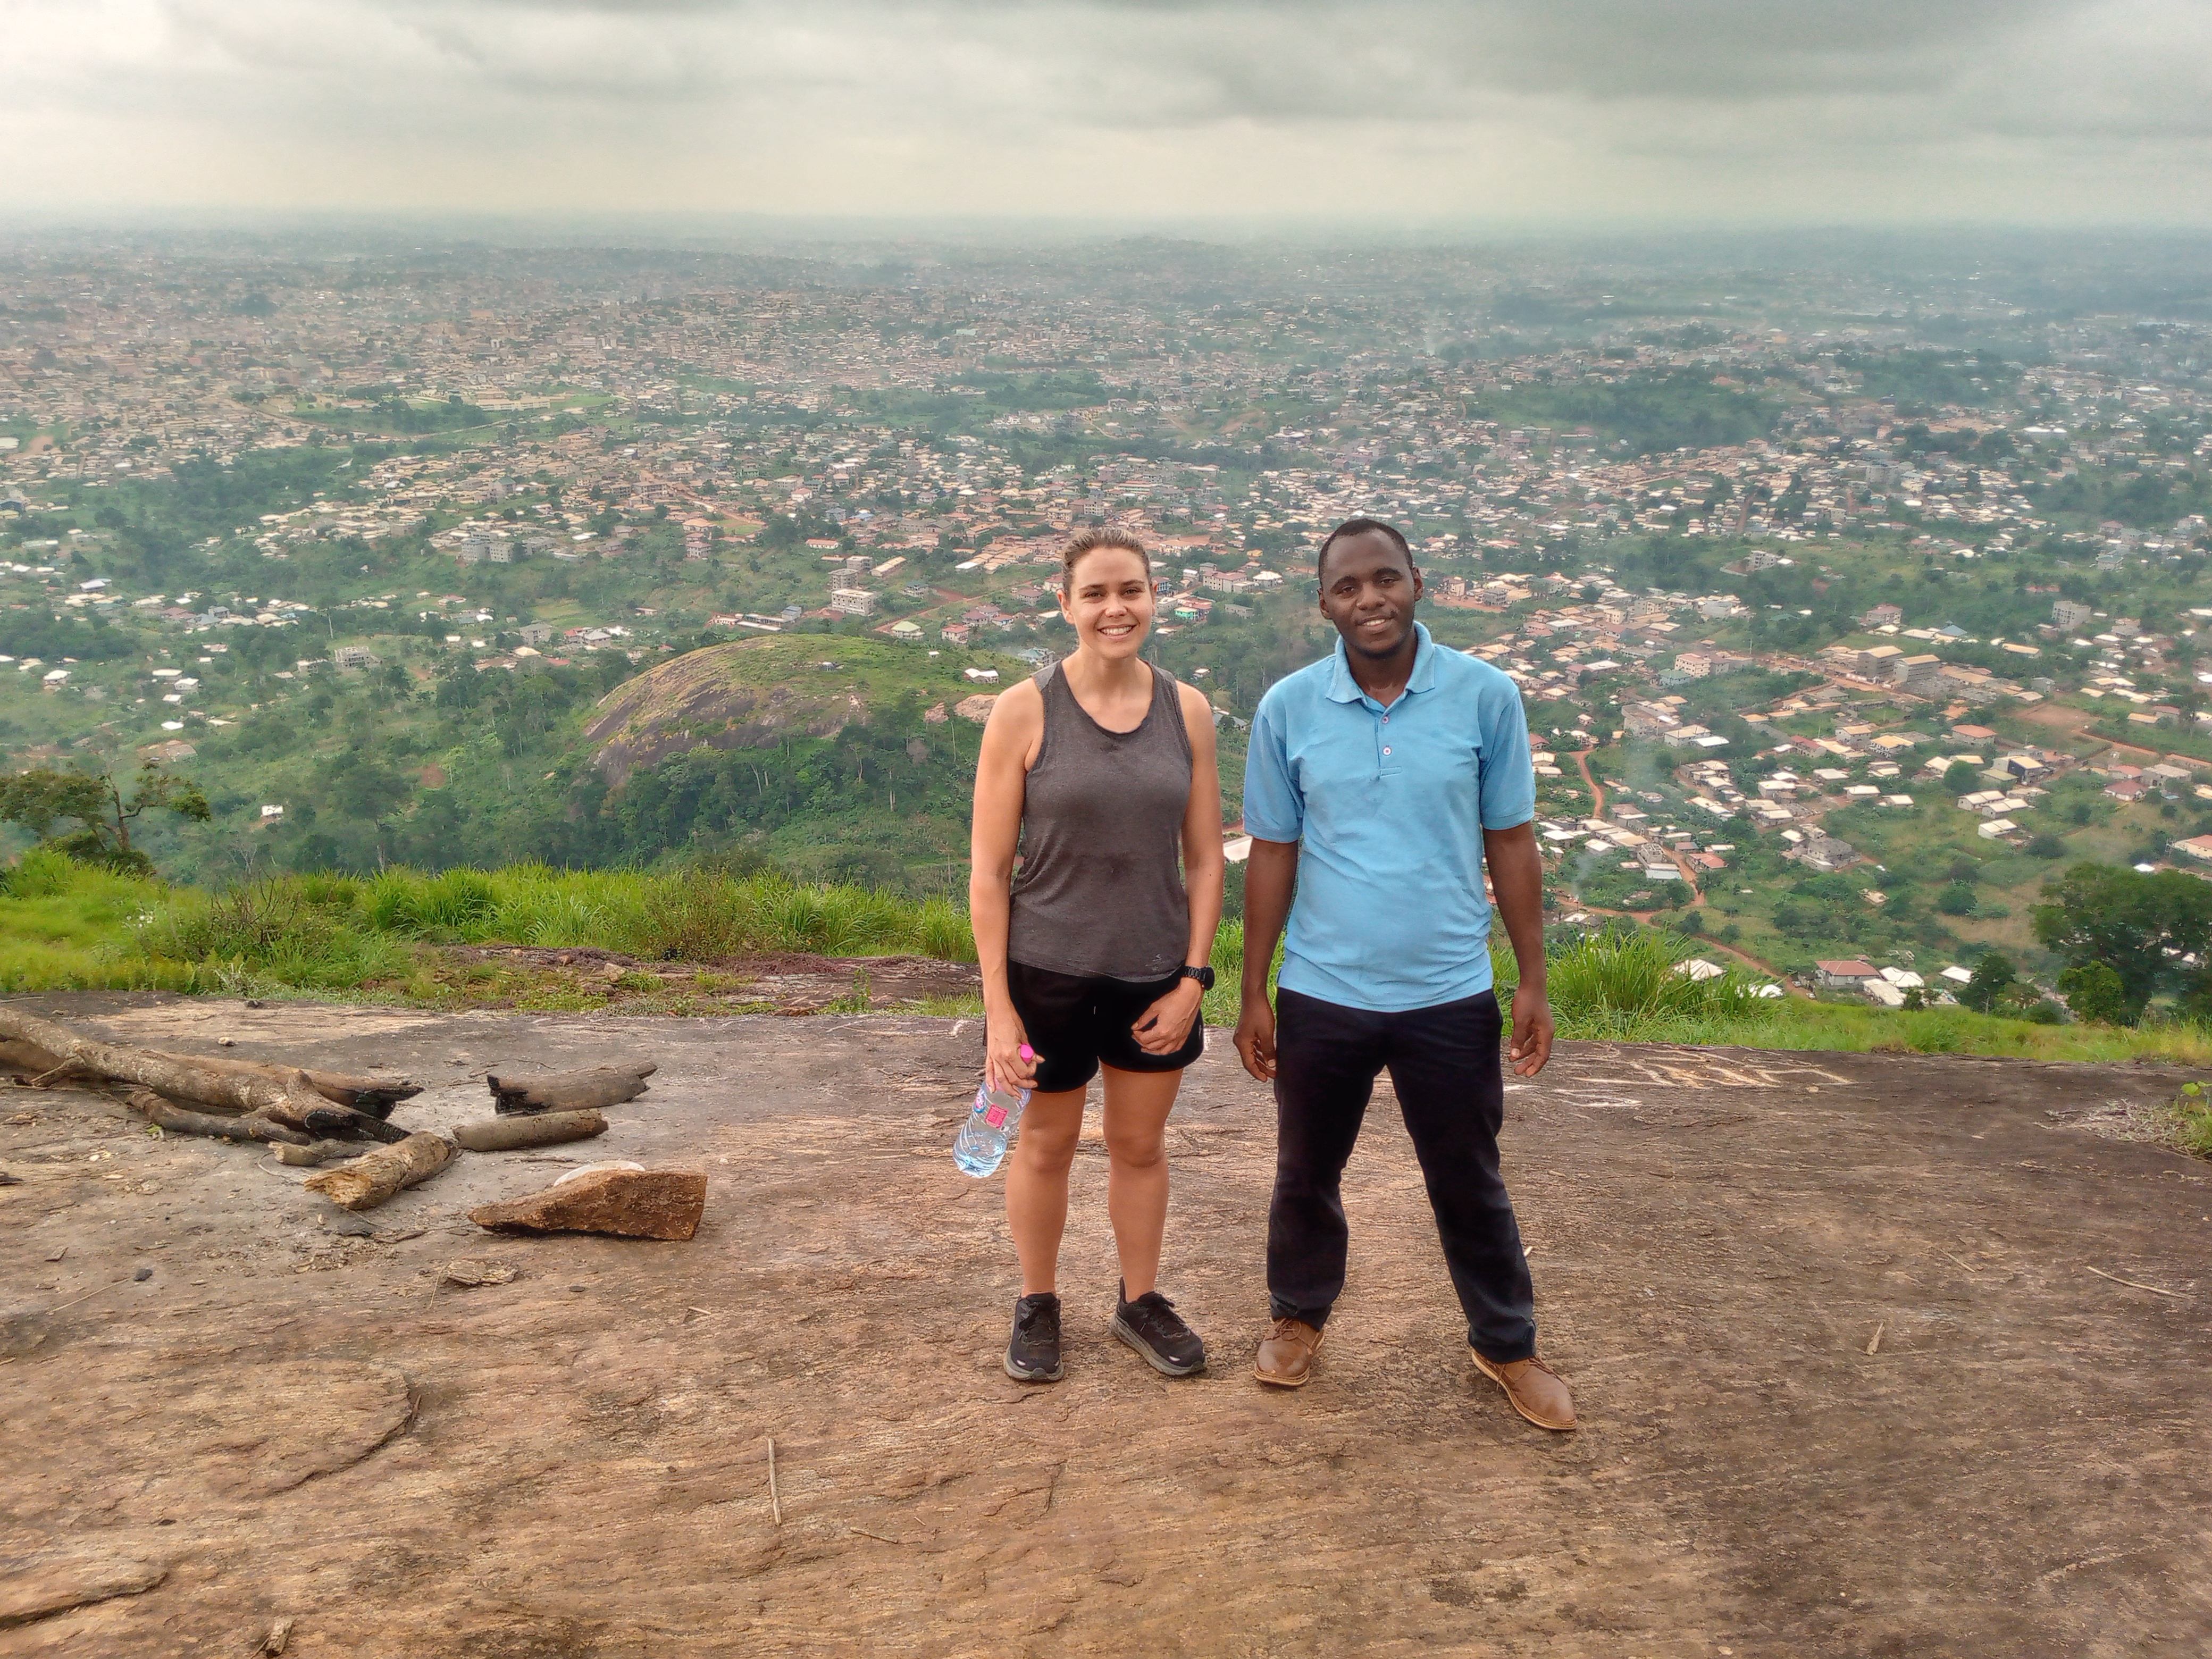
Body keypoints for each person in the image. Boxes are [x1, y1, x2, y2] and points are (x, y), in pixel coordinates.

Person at [1231, 516, 1576, 1431]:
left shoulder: (1483, 696)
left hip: (1448, 990)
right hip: (1322, 989)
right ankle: (1299, 1316)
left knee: (1468, 1175)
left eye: (1385, 579)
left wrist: (1531, 978)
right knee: (1307, 1171)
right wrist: (1252, 988)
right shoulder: (1288, 709)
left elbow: (1511, 840)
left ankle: (1506, 1343)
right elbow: (1271, 851)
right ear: (1324, 605)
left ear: (1419, 582)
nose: (1369, 599)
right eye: (1347, 587)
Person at [969, 527, 1227, 1385]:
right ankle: (1037, 1300)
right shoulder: (1024, 710)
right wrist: (999, 1011)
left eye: (1132, 592)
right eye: (1096, 594)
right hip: (1047, 971)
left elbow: (1204, 856)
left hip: (1155, 971)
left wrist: (1195, 979)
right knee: (1044, 1146)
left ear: (1155, 597)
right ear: (1066, 603)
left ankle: (1139, 1301)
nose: (1116, 609)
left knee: (1139, 1146)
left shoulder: (1185, 710)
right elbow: (989, 872)